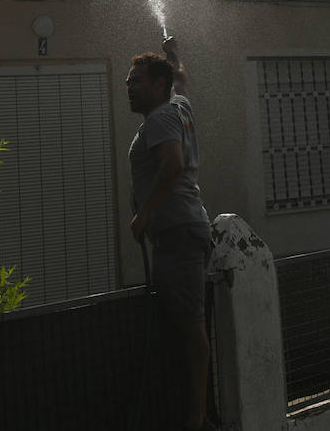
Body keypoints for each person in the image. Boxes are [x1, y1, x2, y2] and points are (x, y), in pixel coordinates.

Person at [126, 36, 214, 431]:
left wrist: (143, 215)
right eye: (129, 81)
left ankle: (195, 419)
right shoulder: (178, 105)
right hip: (185, 228)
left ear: (157, 86)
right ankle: (190, 412)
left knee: (191, 328)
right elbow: (181, 80)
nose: (129, 86)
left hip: (176, 230)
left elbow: (173, 166)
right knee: (182, 323)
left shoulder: (160, 116)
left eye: (137, 81)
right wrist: (175, 56)